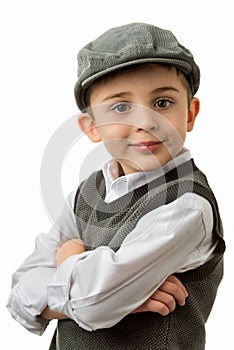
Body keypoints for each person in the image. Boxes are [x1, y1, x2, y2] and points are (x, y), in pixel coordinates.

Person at [7, 22, 225, 350]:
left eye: (163, 102)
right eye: (121, 107)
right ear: (92, 127)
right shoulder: (87, 194)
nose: (145, 121)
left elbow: (95, 303)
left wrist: (68, 263)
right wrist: (115, 297)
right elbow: (19, 294)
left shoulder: (186, 204)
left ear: (190, 114)